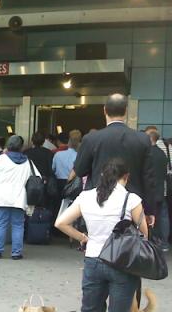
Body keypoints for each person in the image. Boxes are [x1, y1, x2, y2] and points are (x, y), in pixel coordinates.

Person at [55, 159, 146, 312]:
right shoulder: (131, 199)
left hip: (93, 260)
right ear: (125, 177)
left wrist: (84, 238)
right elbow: (145, 233)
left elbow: (61, 222)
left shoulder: (87, 196)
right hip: (122, 265)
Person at [74, 93, 156, 221]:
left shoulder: (91, 139)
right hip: (131, 205)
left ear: (104, 110)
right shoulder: (142, 139)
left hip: (98, 203)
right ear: (126, 111)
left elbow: (80, 170)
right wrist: (149, 210)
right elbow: (148, 178)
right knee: (129, 240)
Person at [0, 135, 39, 260]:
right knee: (18, 225)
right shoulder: (28, 162)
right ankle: (16, 252)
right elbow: (37, 177)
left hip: (0, 197)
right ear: (21, 147)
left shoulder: (0, 160)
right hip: (19, 198)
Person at [148, 130, 169, 251]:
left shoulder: (147, 154)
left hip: (150, 190)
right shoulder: (162, 154)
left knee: (151, 217)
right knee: (163, 217)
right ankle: (164, 243)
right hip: (161, 190)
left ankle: (152, 242)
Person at [52, 130, 81, 194]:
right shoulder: (78, 156)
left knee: (58, 202)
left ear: (69, 141)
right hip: (72, 183)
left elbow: (53, 169)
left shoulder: (58, 154)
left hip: (58, 182)